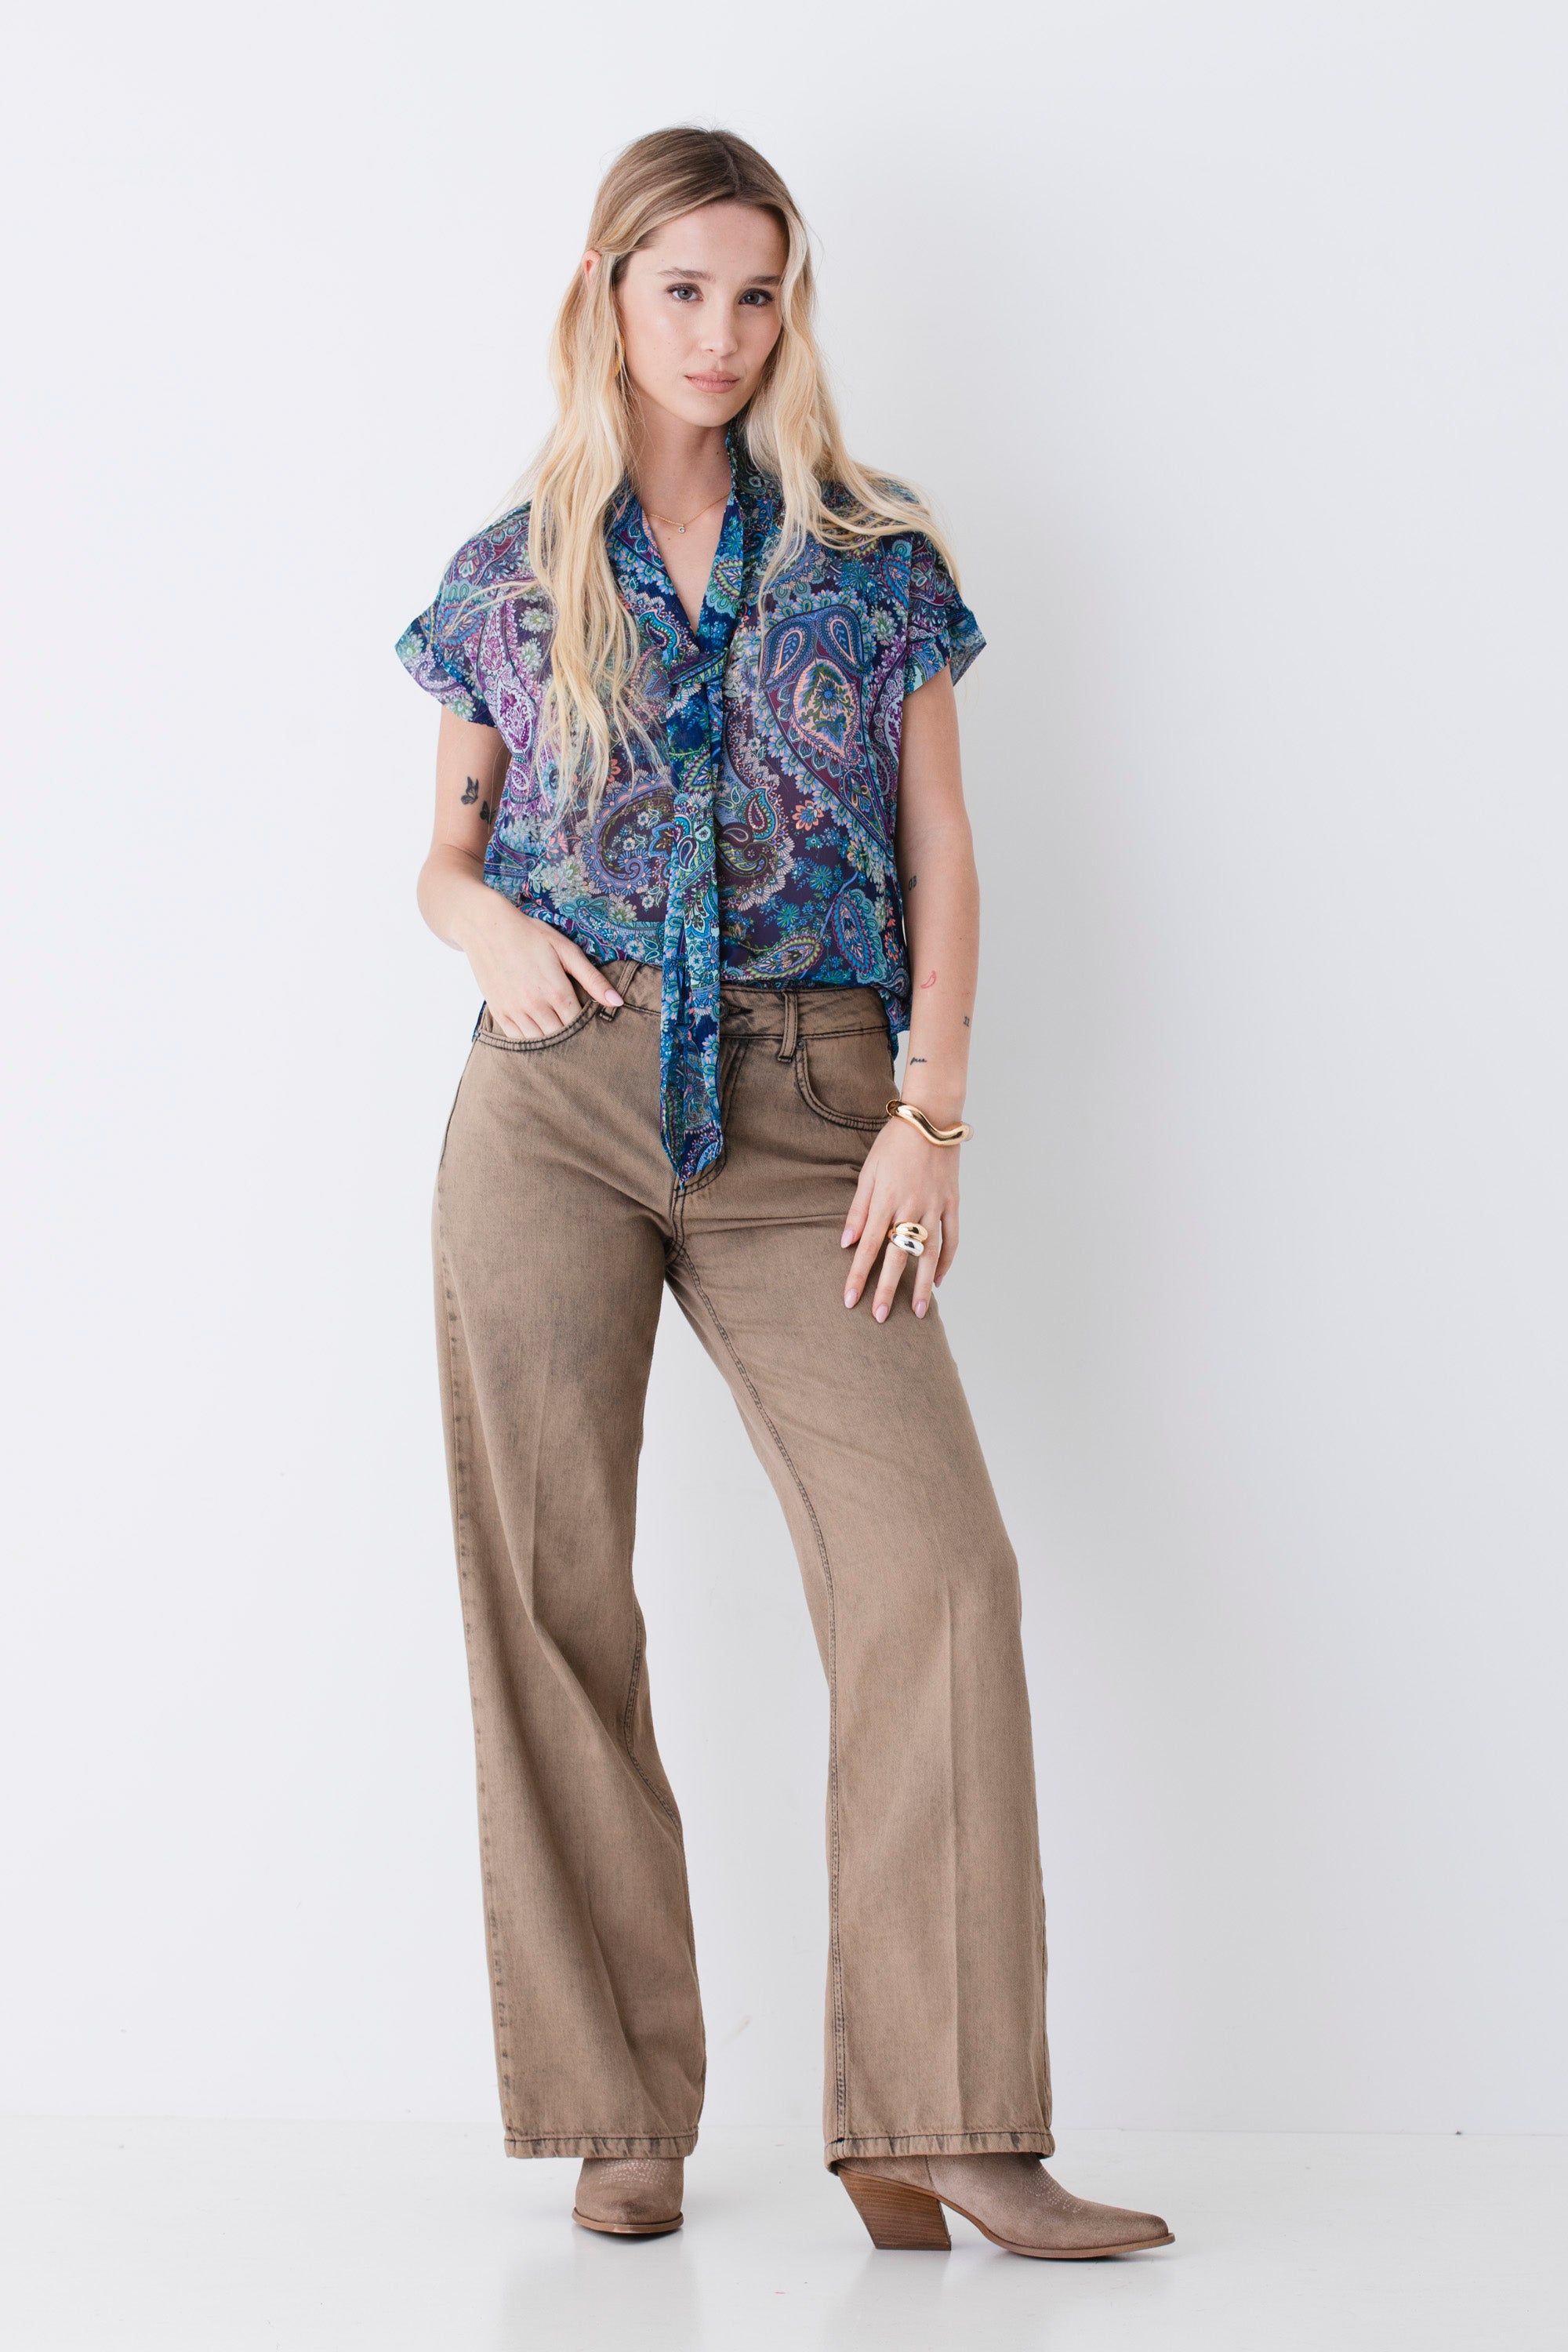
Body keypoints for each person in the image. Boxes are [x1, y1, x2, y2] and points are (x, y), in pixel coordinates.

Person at [396, 125, 1171, 2263]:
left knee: (937, 1576)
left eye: (756, 294)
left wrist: (935, 1107)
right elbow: (442, 856)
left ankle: (947, 2121)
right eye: (683, 291)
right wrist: (483, 930)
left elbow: (944, 847)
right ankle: (615, 2114)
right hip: (551, 1100)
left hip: (823, 1098)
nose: (722, 334)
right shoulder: (505, 574)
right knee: (551, 1589)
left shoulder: (873, 555)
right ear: (606, 296)